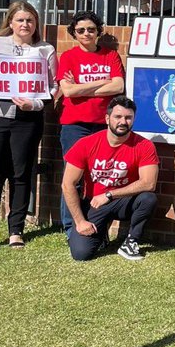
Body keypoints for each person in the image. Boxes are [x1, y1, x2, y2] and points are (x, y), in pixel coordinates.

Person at [0, 1, 57, 253]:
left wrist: (35, 104)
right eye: (20, 20)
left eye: (30, 20)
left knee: (21, 174)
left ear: (36, 24)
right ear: (10, 23)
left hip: (27, 119)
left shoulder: (45, 49)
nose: (25, 24)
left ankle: (16, 230)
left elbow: (53, 86)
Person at [62, 96, 160, 262]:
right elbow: (67, 184)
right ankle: (101, 235)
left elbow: (149, 183)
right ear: (107, 118)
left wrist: (109, 195)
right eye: (118, 117)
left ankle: (131, 242)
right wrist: (79, 222)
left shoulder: (144, 145)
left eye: (128, 117)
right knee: (81, 254)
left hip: (122, 201)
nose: (123, 122)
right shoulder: (86, 144)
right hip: (94, 203)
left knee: (148, 198)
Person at [56, 11, 125, 234]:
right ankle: (71, 226)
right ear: (74, 34)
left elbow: (118, 87)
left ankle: (96, 224)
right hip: (75, 125)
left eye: (91, 29)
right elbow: (67, 91)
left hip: (103, 126)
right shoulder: (68, 57)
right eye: (81, 30)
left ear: (98, 32)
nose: (86, 33)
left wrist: (81, 88)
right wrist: (101, 82)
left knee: (100, 177)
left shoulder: (110, 55)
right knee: (73, 179)